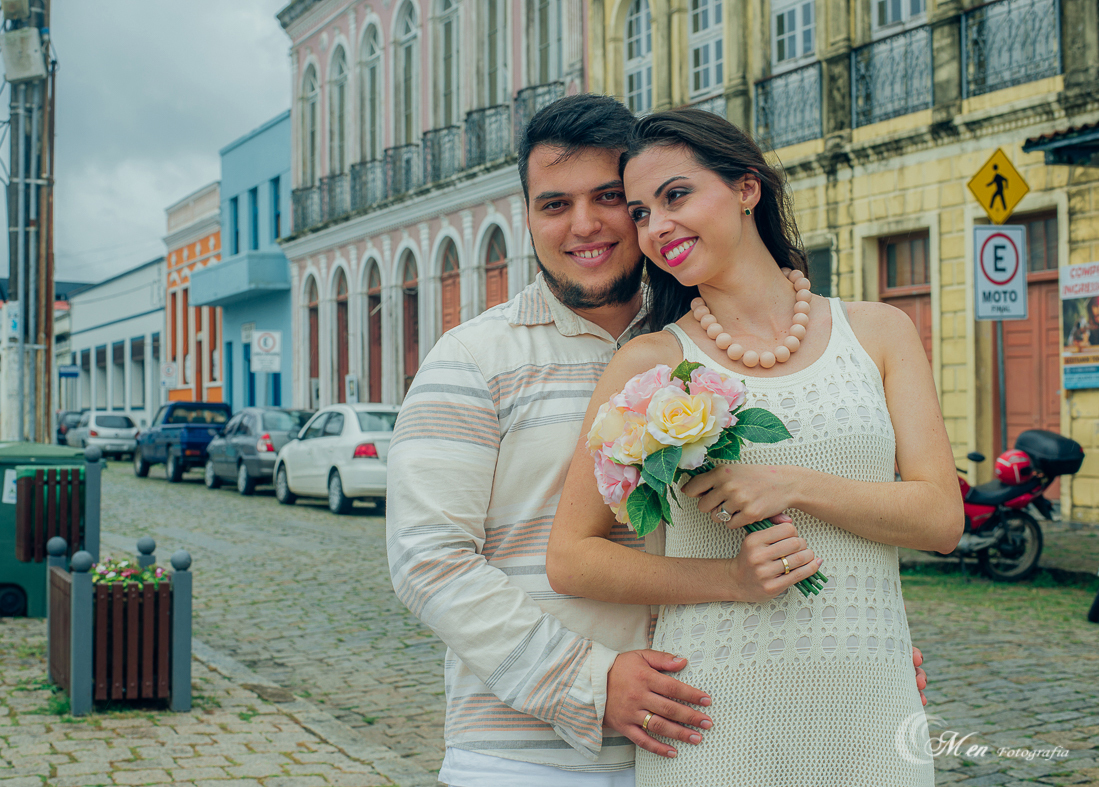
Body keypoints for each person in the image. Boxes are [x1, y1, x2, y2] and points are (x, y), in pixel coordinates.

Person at [387, 96, 930, 787]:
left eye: (610, 198)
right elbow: (428, 560)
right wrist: (589, 682)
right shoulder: (474, 358)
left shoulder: (706, 341)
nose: (583, 224)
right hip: (533, 752)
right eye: (554, 205)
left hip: (723, 721)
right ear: (526, 217)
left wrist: (842, 647)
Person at [546, 108, 960, 786]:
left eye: (676, 195)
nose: (657, 226)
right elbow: (571, 557)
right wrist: (730, 579)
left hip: (871, 700)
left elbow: (941, 519)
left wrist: (790, 484)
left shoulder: (880, 332)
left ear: (746, 188)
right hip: (715, 710)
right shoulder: (648, 364)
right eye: (642, 213)